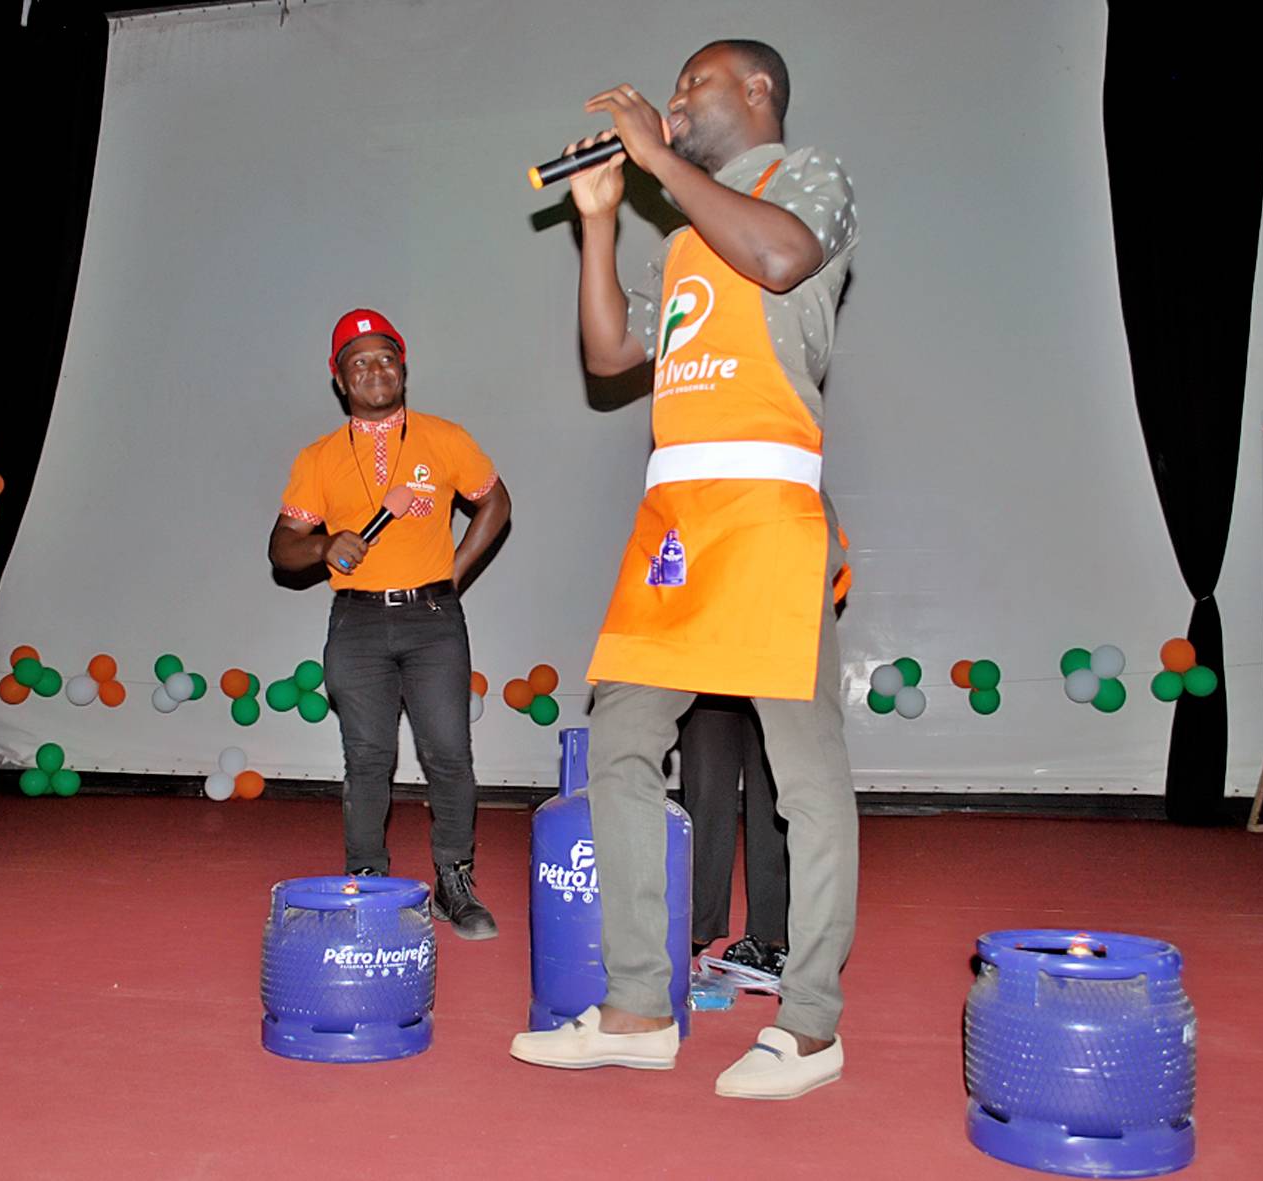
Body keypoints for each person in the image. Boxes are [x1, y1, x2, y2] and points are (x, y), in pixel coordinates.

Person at [509, 40, 859, 1098]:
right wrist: (600, 219)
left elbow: (782, 259)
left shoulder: (805, 177)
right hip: (674, 521)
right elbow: (611, 355)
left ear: (756, 90)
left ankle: (810, 1024)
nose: (672, 100)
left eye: (692, 83)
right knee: (619, 734)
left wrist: (659, 163)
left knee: (802, 770)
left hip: (764, 510)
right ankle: (636, 1008)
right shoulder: (683, 235)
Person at [269, 308, 512, 940]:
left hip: (433, 620)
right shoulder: (319, 457)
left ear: (402, 367)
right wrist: (322, 546)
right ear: (339, 379)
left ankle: (454, 883)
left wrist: (453, 573)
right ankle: (367, 881)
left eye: (385, 357)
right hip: (357, 623)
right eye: (359, 362)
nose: (374, 369)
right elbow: (282, 547)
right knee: (367, 758)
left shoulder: (444, 438)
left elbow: (495, 501)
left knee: (448, 753)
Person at [679, 696, 787, 974]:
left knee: (773, 803)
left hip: (775, 678)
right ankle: (698, 921)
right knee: (705, 796)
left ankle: (772, 931)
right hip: (710, 679)